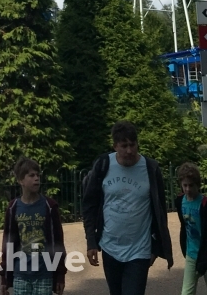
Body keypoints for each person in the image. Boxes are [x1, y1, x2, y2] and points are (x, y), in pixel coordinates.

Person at [83, 121, 173, 295]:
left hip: (139, 250)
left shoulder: (150, 168)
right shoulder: (103, 165)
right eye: (124, 146)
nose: (129, 150)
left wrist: (156, 247)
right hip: (110, 247)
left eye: (133, 145)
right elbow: (89, 205)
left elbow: (160, 211)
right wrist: (91, 241)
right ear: (115, 146)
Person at [0, 157, 66, 295]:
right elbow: (9, 243)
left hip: (44, 273)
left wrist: (60, 275)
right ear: (20, 180)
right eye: (31, 175)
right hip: (21, 274)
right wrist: (5, 278)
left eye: (38, 175)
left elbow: (58, 242)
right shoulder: (13, 207)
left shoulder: (49, 206)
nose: (36, 178)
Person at [175, 163, 207, 295]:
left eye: (191, 185)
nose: (188, 189)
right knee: (186, 292)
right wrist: (184, 247)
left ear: (198, 185)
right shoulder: (180, 201)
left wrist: (206, 261)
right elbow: (184, 227)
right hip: (192, 253)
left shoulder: (205, 205)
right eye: (185, 185)